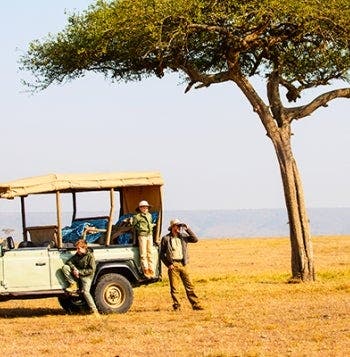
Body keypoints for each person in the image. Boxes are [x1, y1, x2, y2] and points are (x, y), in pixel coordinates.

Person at [160, 219, 204, 311]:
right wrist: (168, 264)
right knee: (174, 288)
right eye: (177, 226)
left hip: (183, 264)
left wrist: (188, 229)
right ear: (172, 227)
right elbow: (161, 254)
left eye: (180, 226)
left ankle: (196, 305)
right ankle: (177, 306)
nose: (179, 227)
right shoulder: (166, 238)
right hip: (173, 265)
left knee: (190, 285)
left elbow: (195, 239)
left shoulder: (184, 236)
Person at [61, 239, 100, 317]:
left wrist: (79, 272)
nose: (77, 250)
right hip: (78, 274)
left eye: (79, 248)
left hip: (87, 276)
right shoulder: (78, 254)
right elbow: (69, 261)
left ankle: (95, 311)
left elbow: (92, 270)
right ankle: (73, 284)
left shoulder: (90, 256)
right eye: (77, 248)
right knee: (65, 267)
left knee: (85, 292)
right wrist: (74, 269)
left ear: (84, 248)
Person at [132, 200, 155, 279]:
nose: (145, 208)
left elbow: (150, 223)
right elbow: (134, 225)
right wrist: (140, 229)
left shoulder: (150, 215)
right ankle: (146, 270)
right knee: (143, 254)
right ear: (140, 208)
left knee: (150, 253)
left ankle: (152, 270)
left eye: (146, 207)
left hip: (150, 235)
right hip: (142, 235)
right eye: (143, 207)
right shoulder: (137, 217)